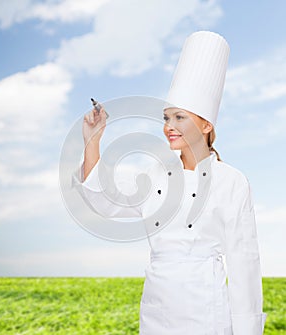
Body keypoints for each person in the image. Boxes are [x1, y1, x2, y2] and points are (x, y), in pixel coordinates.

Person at [73, 31, 267, 334]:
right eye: (166, 118)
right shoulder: (156, 174)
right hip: (156, 309)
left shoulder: (232, 182)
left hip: (206, 312)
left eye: (179, 118)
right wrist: (94, 139)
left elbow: (244, 264)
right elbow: (106, 203)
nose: (168, 127)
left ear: (206, 125)